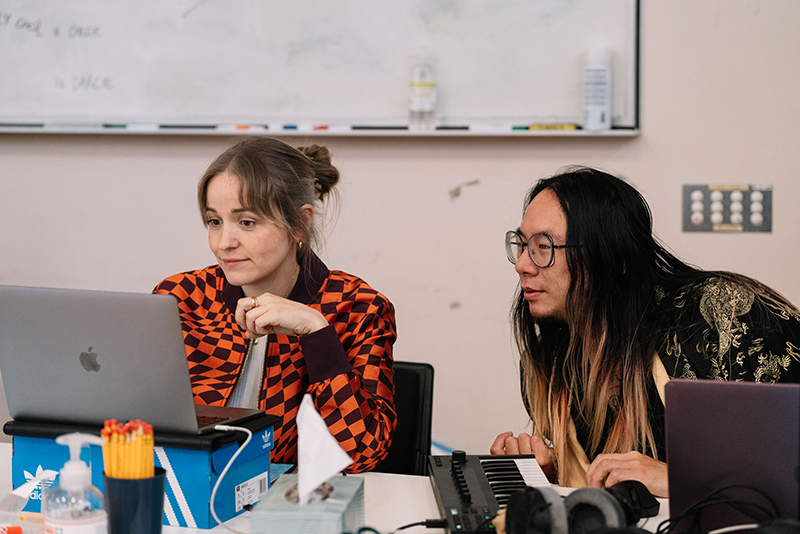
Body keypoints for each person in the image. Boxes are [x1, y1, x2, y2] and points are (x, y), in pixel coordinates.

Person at [490, 166, 800, 498]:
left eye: (543, 246)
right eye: (522, 245)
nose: (522, 263)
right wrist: (547, 476)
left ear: (614, 258)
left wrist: (678, 478)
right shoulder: (547, 364)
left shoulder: (723, 315)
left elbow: (782, 476)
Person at [154, 137, 397, 473]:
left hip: (293, 512)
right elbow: (140, 428)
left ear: (300, 223)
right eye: (214, 221)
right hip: (188, 505)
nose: (225, 242)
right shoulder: (181, 298)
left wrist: (316, 333)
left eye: (247, 222)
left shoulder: (359, 308)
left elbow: (362, 454)